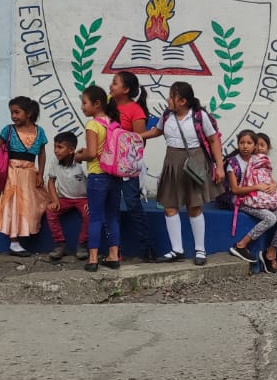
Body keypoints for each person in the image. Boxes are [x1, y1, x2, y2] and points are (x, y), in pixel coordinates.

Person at [139, 81, 223, 265]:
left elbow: (213, 139)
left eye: (172, 97)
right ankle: (176, 249)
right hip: (171, 162)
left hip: (193, 162)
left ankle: (200, 250)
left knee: (194, 206)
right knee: (169, 206)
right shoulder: (167, 115)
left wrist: (220, 166)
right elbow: (157, 131)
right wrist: (137, 136)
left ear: (183, 101)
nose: (168, 100)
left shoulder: (199, 116)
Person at [0, 96, 53, 256]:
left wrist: (41, 174)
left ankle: (26, 231)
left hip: (29, 174)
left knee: (32, 204)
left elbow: (42, 154)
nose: (13, 116)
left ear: (28, 113)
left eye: (17, 112)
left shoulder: (40, 132)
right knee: (13, 206)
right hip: (12, 176)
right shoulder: (8, 130)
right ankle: (14, 242)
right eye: (12, 113)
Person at [227, 132, 277, 274]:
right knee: (271, 218)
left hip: (262, 201)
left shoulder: (258, 160)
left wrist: (274, 184)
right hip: (244, 201)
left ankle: (270, 253)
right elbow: (235, 190)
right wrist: (257, 187)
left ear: (255, 146)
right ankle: (241, 245)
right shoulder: (233, 163)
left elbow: (267, 178)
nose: (245, 146)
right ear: (238, 144)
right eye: (242, 143)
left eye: (249, 143)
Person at [75, 86, 122, 271]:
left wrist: (79, 156)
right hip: (115, 176)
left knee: (95, 217)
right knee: (112, 217)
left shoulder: (93, 125)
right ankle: (113, 255)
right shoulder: (113, 122)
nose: (82, 107)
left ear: (97, 104)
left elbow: (92, 153)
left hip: (98, 175)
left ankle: (93, 259)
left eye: (84, 103)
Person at [110, 71, 153, 261]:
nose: (111, 86)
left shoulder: (136, 110)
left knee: (133, 204)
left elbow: (140, 141)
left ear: (126, 90)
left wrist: (122, 147)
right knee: (110, 206)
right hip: (108, 165)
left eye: (115, 83)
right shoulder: (107, 106)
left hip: (128, 167)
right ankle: (114, 251)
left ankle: (146, 248)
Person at [43, 131, 90, 261]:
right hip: (64, 198)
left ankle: (82, 245)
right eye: (55, 147)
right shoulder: (54, 161)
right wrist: (54, 200)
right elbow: (51, 181)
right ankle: (60, 245)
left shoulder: (81, 163)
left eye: (60, 147)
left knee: (89, 214)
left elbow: (93, 182)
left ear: (71, 150)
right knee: (50, 211)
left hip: (83, 198)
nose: (56, 151)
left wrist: (92, 202)